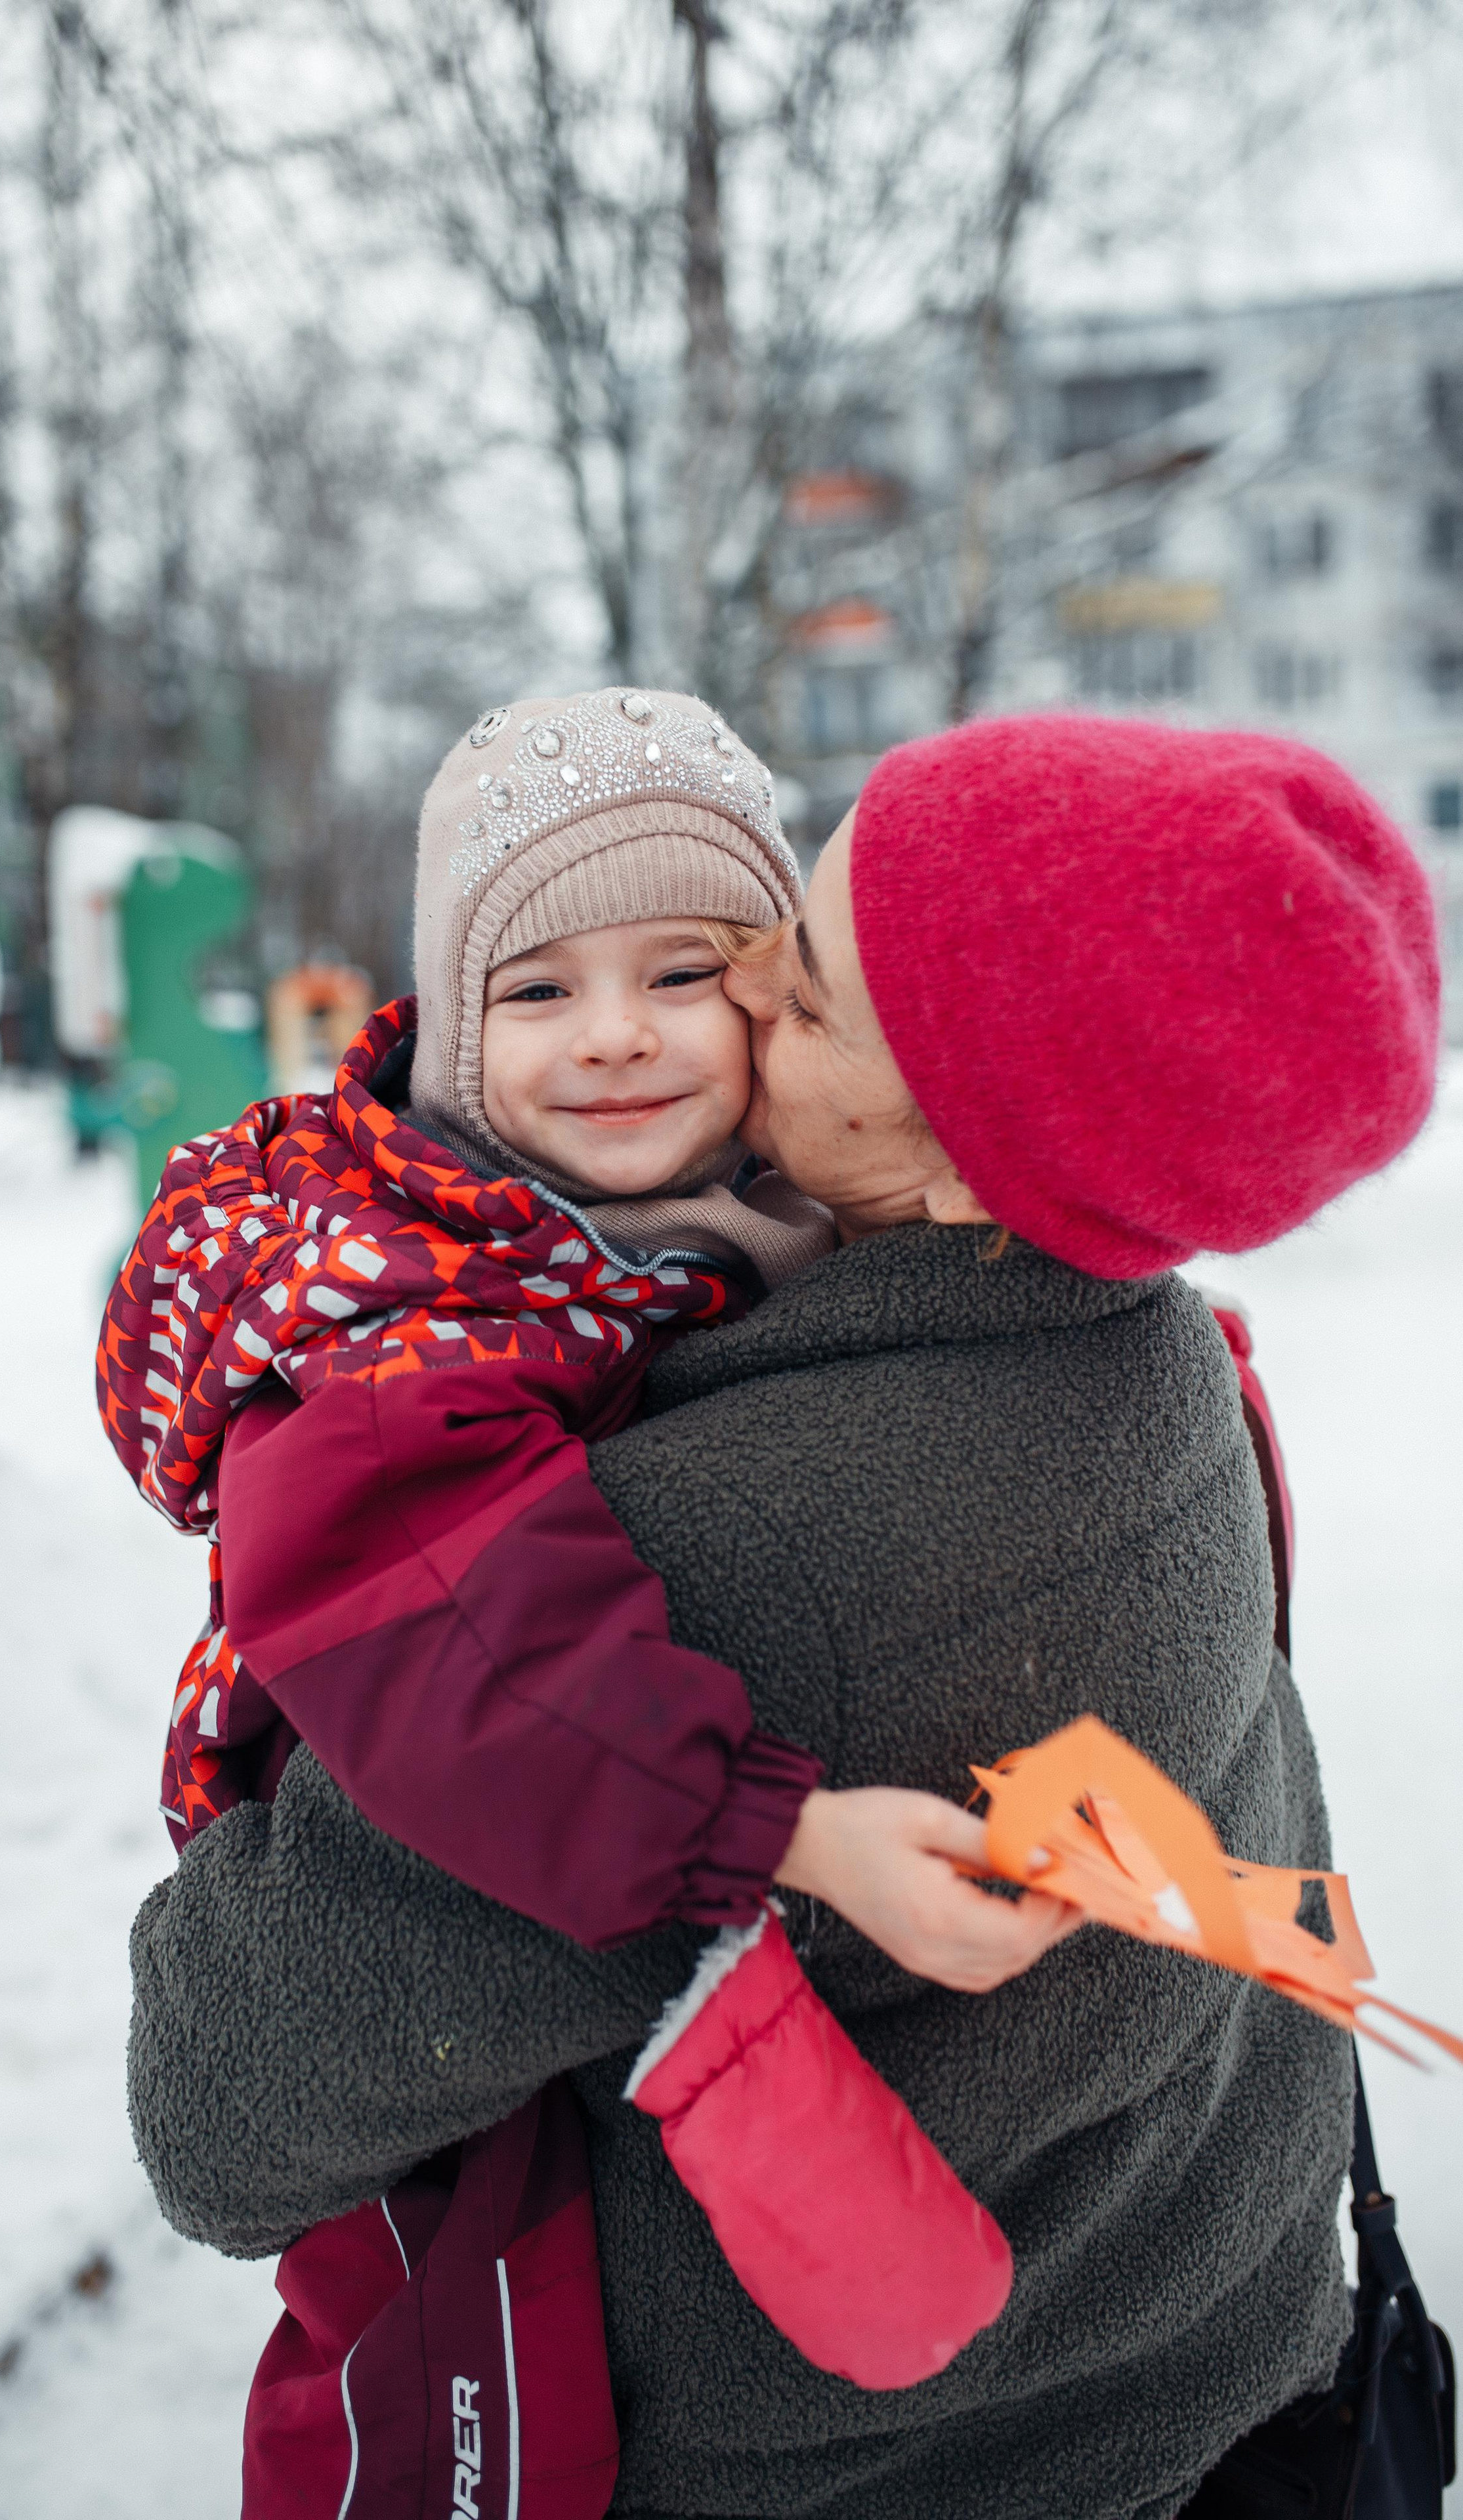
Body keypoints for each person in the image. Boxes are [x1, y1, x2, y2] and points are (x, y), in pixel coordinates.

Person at [126, 710, 1439, 2520]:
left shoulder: (721, 1555)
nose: (737, 984)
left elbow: (218, 2102)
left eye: (799, 987)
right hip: (1206, 2386)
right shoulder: (1163, 1365)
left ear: (977, 1164)